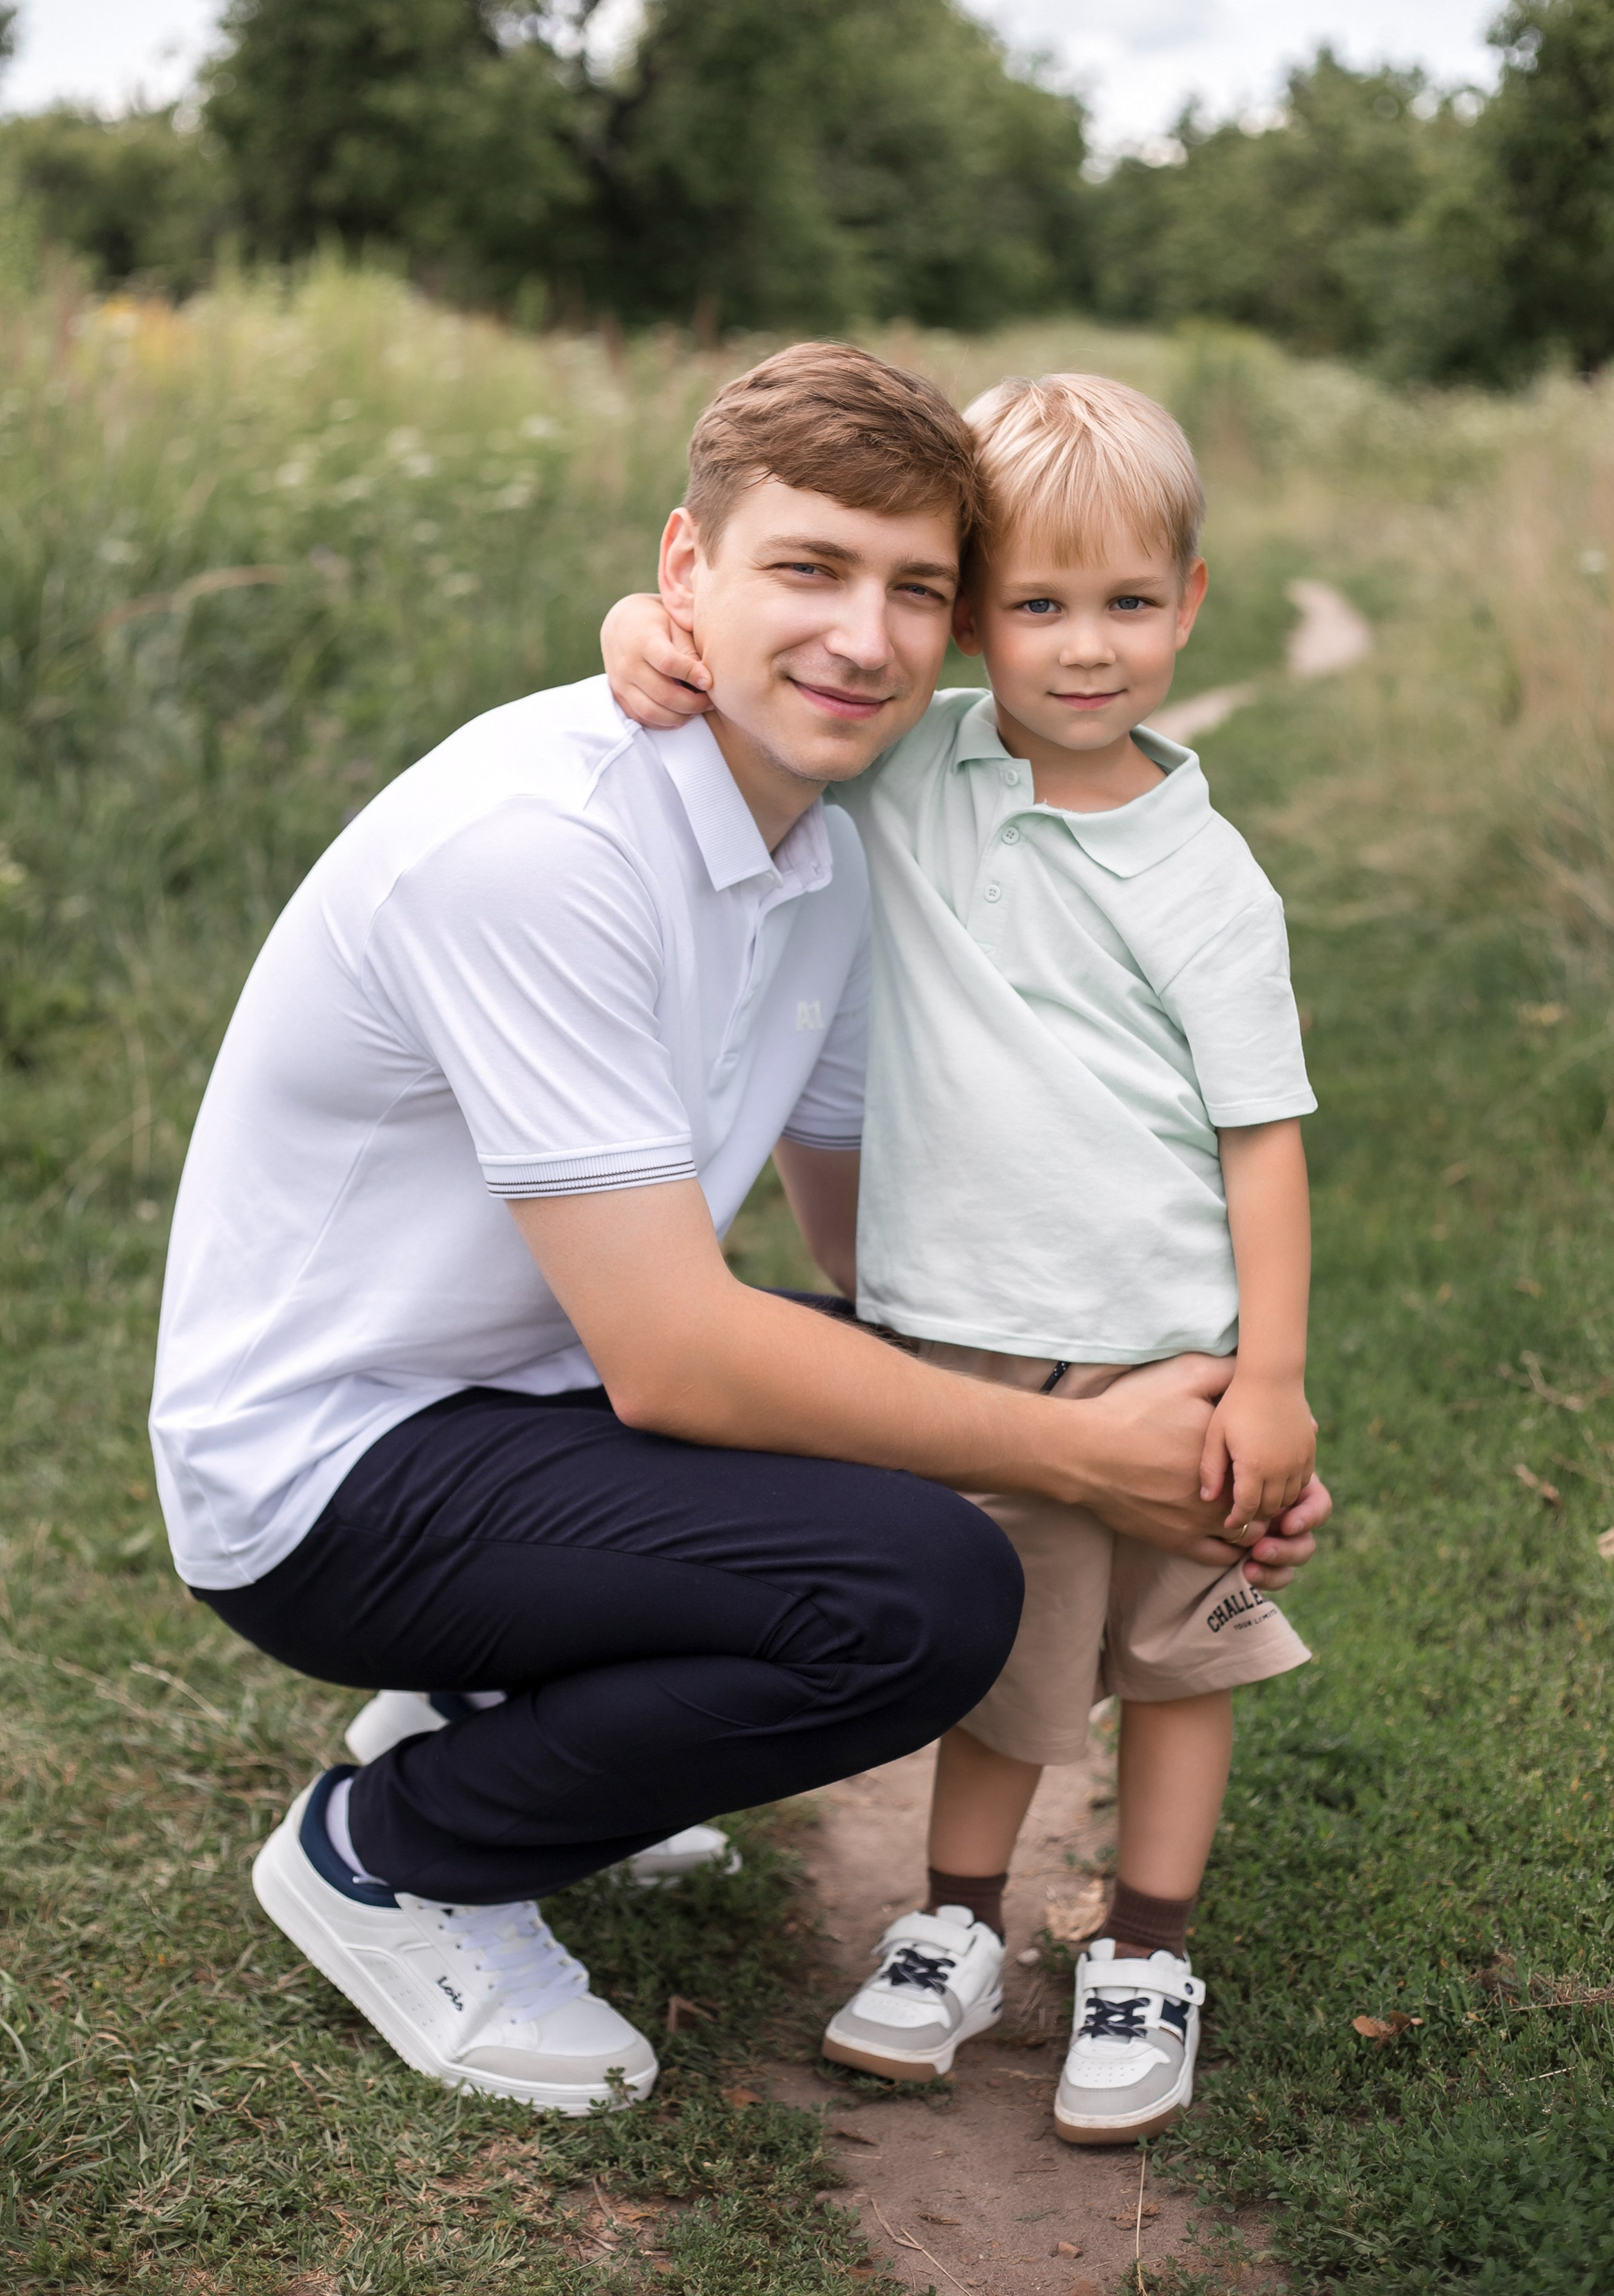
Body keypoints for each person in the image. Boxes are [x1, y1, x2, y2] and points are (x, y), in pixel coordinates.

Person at [150, 342, 1327, 2119]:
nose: (864, 635)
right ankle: (395, 1851)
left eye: (914, 588)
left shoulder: (836, 842)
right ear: (684, 574)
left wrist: (1201, 1419)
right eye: (806, 568)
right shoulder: (543, 843)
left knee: (926, 1431)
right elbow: (684, 1356)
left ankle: (482, 1713)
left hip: (524, 1392)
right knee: (925, 1588)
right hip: (329, 1472)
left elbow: (865, 1251)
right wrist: (1090, 1455)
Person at [600, 368, 1319, 2144]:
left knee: (1174, 1664)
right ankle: (956, 1925)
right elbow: (751, 677)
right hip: (957, 1341)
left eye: (1132, 605)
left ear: (1192, 605)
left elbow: (1264, 1141)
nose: (1087, 649)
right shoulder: (915, 768)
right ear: (973, 617)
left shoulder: (1206, 879)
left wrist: (1277, 1377)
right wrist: (641, 623)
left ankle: (1146, 1948)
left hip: (1166, 1352)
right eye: (1039, 605)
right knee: (1005, 1659)